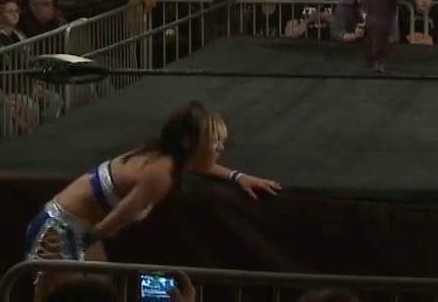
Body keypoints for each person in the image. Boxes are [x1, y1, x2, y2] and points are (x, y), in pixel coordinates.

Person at [24, 101, 281, 300]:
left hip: (77, 225)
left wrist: (237, 177)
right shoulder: (160, 174)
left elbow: (199, 166)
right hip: (59, 227)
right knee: (74, 296)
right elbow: (113, 223)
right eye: (215, 143)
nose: (220, 149)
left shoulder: (162, 154)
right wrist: (137, 213)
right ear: (189, 142)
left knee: (102, 289)